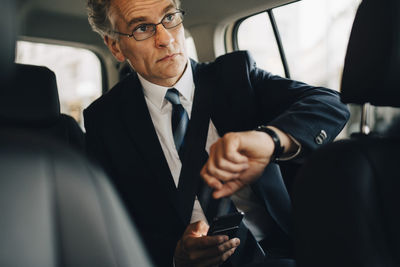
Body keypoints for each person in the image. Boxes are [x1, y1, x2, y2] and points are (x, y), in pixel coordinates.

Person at [84, 0, 350, 266]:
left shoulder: (236, 75)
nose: (165, 38)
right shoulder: (105, 120)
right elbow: (110, 225)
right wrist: (175, 256)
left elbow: (329, 103)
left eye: (169, 17)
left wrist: (269, 140)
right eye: (142, 28)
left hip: (279, 252)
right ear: (115, 46)